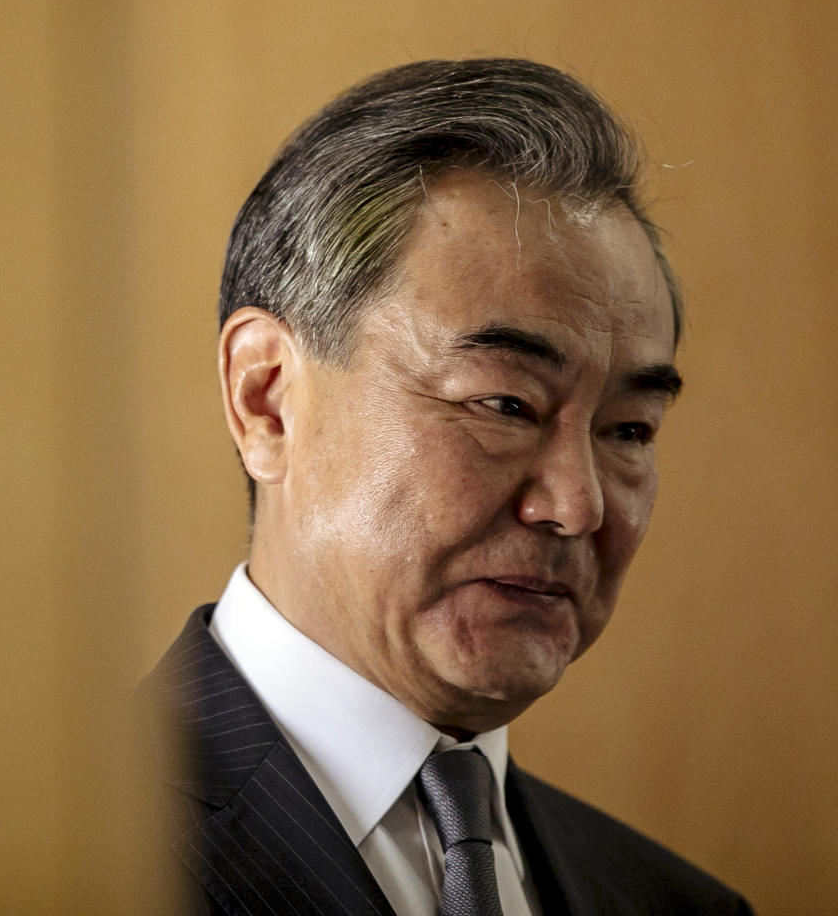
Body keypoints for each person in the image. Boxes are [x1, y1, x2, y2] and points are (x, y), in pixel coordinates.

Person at [141, 58, 753, 915]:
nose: (577, 508)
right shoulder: (45, 853)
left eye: (628, 431)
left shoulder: (682, 906)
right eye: (505, 404)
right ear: (268, 400)